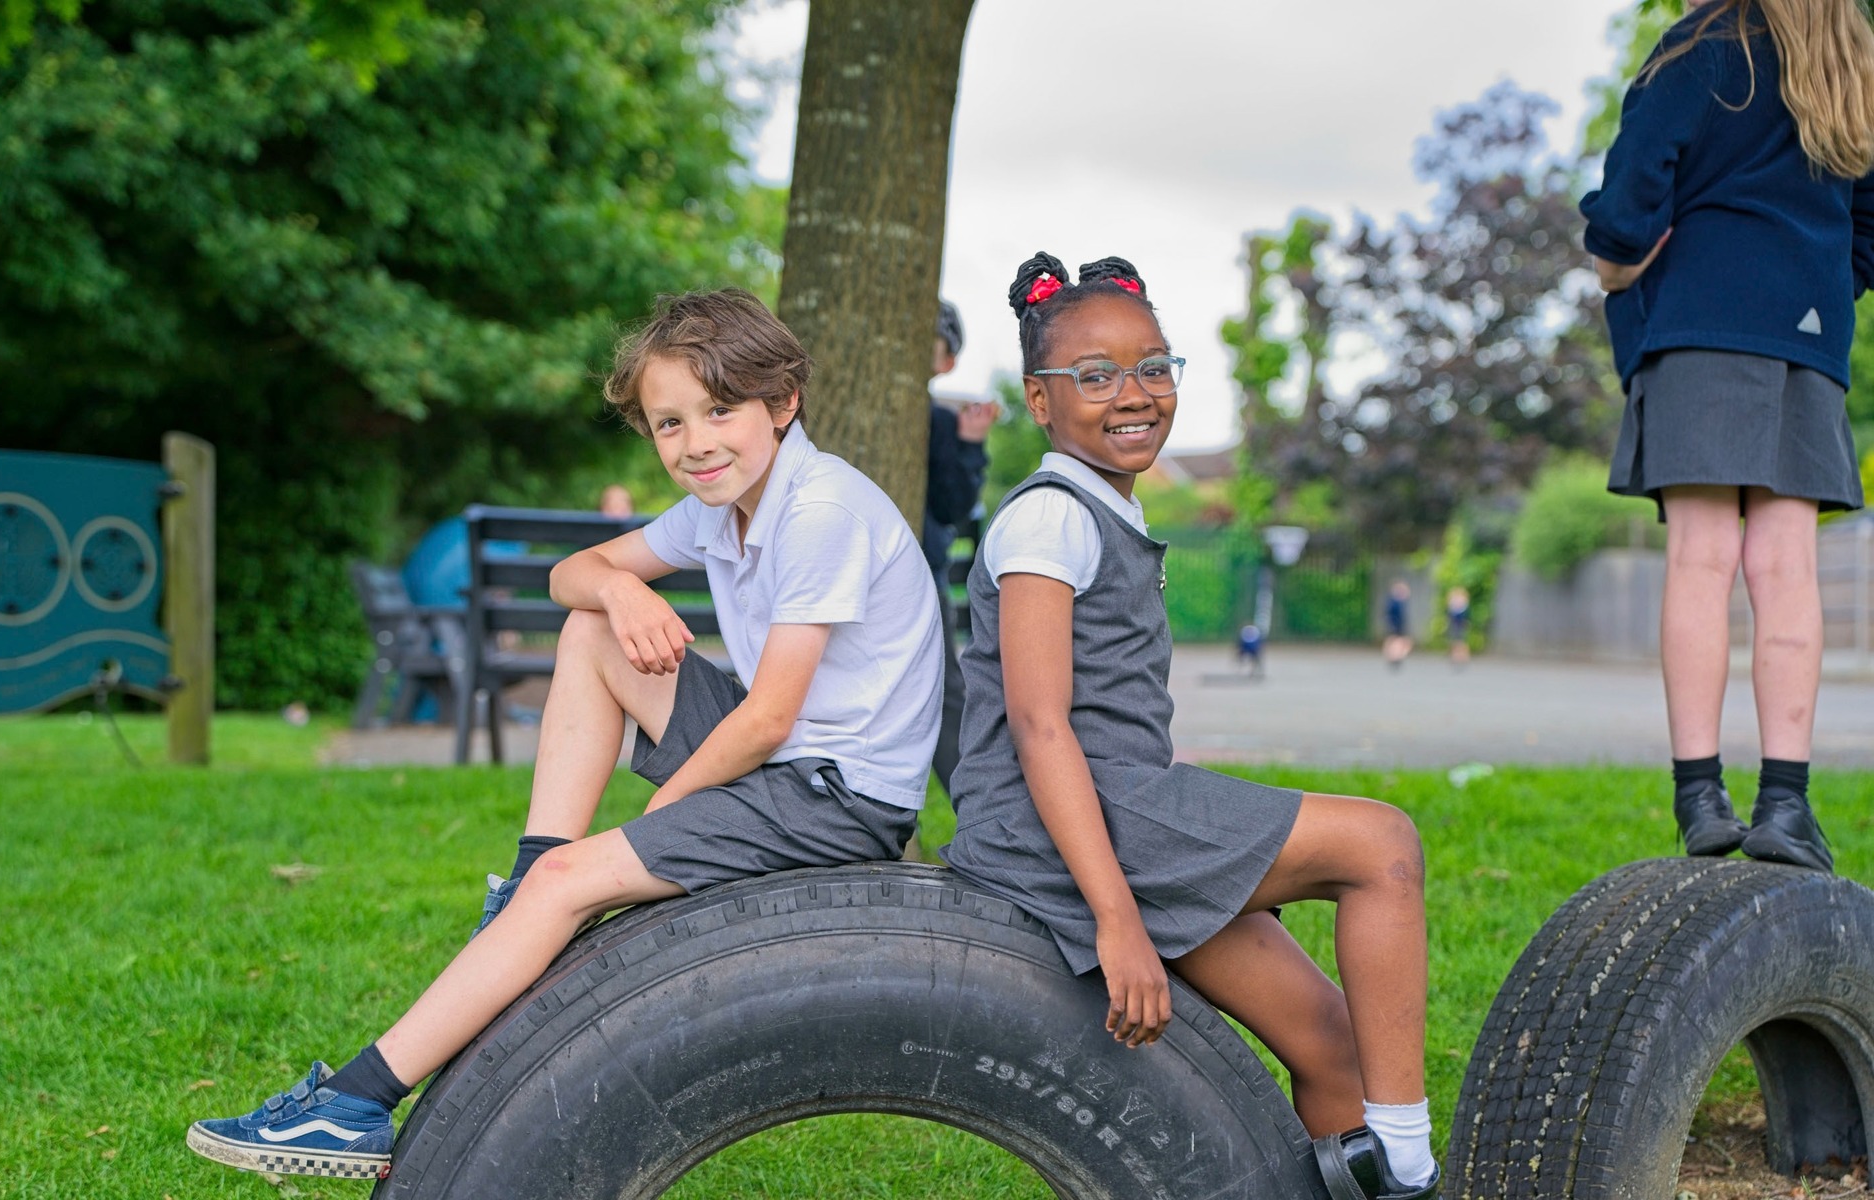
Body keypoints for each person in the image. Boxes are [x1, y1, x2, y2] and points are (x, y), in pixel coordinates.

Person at [186, 289, 945, 1179]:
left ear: (783, 404)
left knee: (573, 881)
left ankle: (351, 1105)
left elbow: (771, 714)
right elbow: (569, 576)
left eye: (720, 410)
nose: (695, 442)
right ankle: (525, 880)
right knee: (589, 627)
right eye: (669, 424)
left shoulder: (822, 510)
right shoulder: (719, 503)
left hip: (836, 794)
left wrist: (666, 811)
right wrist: (622, 588)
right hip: (783, 754)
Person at [939, 253, 1438, 1200]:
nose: (1133, 395)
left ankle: (1376, 1146)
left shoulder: (1099, 507)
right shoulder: (1048, 521)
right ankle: (1404, 1159)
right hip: (1068, 826)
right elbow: (1040, 729)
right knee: (1383, 844)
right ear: (1039, 402)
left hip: (1118, 807)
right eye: (1094, 376)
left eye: (1154, 367)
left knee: (1332, 1044)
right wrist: (1118, 921)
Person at [1582, 0, 1874, 872]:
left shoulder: (1708, 47)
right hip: (1809, 339)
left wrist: (1619, 260)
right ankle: (1786, 803)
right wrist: (1818, 281)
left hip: (1703, 328)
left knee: (1703, 560)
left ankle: (1700, 796)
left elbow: (1630, 198)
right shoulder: (1852, 58)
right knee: (1786, 569)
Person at [923, 298, 1000, 790]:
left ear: (945, 361)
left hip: (920, 565)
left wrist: (970, 444)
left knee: (946, 685)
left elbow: (954, 506)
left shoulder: (944, 423)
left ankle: (967, 795)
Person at [1382, 580, 1413, 670]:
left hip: (1396, 624)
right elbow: (1394, 615)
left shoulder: (1395, 601)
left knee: (1395, 641)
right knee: (1398, 641)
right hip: (1396, 625)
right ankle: (1395, 657)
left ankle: (1394, 657)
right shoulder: (1395, 602)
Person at [1444, 586, 1471, 667]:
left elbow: (1467, 618)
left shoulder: (1464, 608)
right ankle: (1455, 657)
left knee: (1461, 642)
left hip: (1461, 626)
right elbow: (1449, 616)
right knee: (1454, 642)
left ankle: (1463, 657)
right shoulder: (1453, 607)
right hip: (1454, 626)